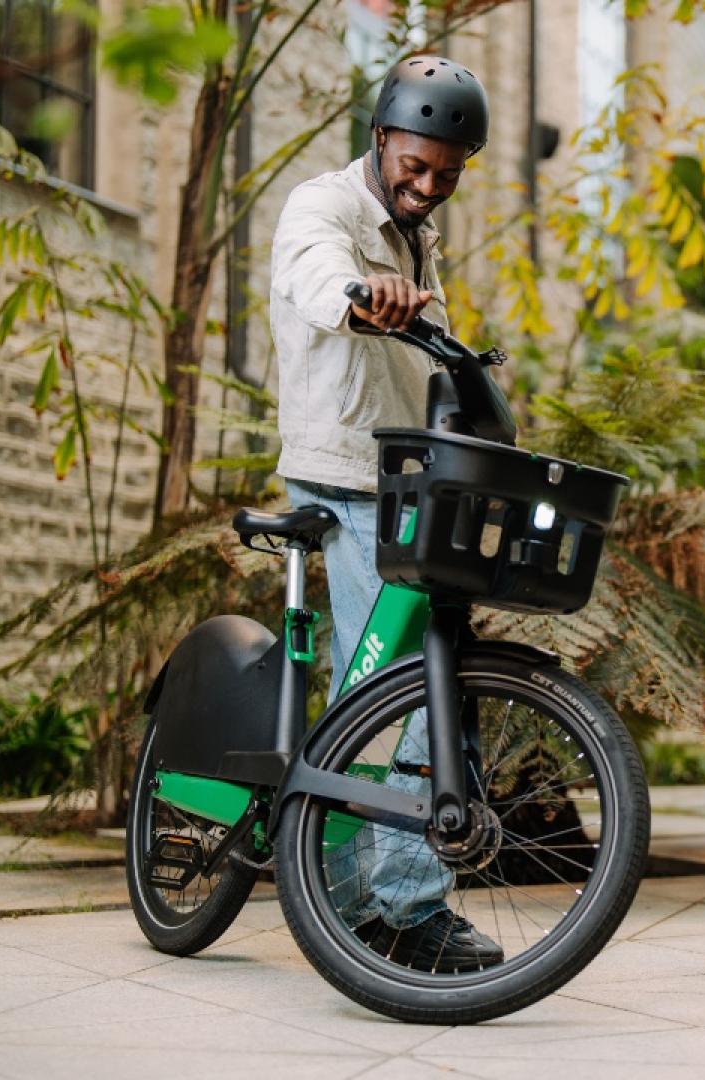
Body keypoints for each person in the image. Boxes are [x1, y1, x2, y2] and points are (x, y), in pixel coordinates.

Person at [269, 55, 502, 970]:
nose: (429, 185)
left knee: (399, 682)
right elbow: (316, 279)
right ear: (380, 138)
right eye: (417, 165)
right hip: (342, 478)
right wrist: (364, 297)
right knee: (402, 685)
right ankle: (403, 910)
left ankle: (341, 893)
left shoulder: (418, 232)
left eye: (448, 173)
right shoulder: (320, 207)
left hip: (402, 483)